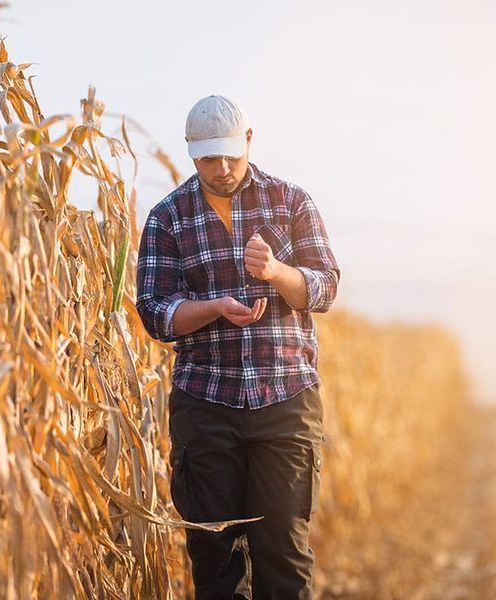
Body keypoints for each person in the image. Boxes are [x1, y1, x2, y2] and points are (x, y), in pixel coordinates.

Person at [135, 94, 340, 599]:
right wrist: (214, 307)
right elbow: (155, 313)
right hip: (206, 403)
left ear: (248, 140)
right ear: (190, 152)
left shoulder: (291, 202)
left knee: (283, 556)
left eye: (230, 155)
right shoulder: (168, 218)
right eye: (208, 159)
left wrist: (275, 272)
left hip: (286, 399)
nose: (222, 169)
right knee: (216, 561)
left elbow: (324, 288)